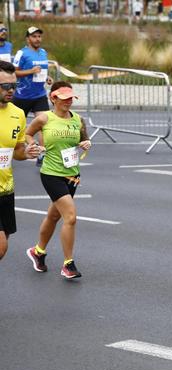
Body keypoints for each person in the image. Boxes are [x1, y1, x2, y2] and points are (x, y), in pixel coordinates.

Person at [25, 81, 91, 279]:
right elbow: (28, 134)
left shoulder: (78, 119)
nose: (68, 102)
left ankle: (38, 252)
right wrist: (34, 145)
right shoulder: (45, 118)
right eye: (64, 99)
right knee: (70, 216)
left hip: (72, 174)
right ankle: (68, 264)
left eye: (71, 98)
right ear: (53, 98)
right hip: (52, 174)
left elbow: (83, 139)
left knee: (54, 216)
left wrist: (86, 143)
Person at [0, 61, 41, 261]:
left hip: (6, 188)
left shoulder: (17, 114)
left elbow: (16, 150)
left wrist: (27, 153)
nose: (11, 90)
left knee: (3, 246)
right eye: (6, 86)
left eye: (14, 85)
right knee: (0, 246)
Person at [12, 26, 52, 164]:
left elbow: (42, 71)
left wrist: (47, 77)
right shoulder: (21, 53)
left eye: (39, 36)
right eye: (34, 36)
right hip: (22, 96)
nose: (37, 39)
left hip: (39, 96)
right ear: (28, 39)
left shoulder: (43, 52)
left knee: (44, 124)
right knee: (12, 125)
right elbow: (13, 72)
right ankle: (8, 149)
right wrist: (30, 71)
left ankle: (42, 155)